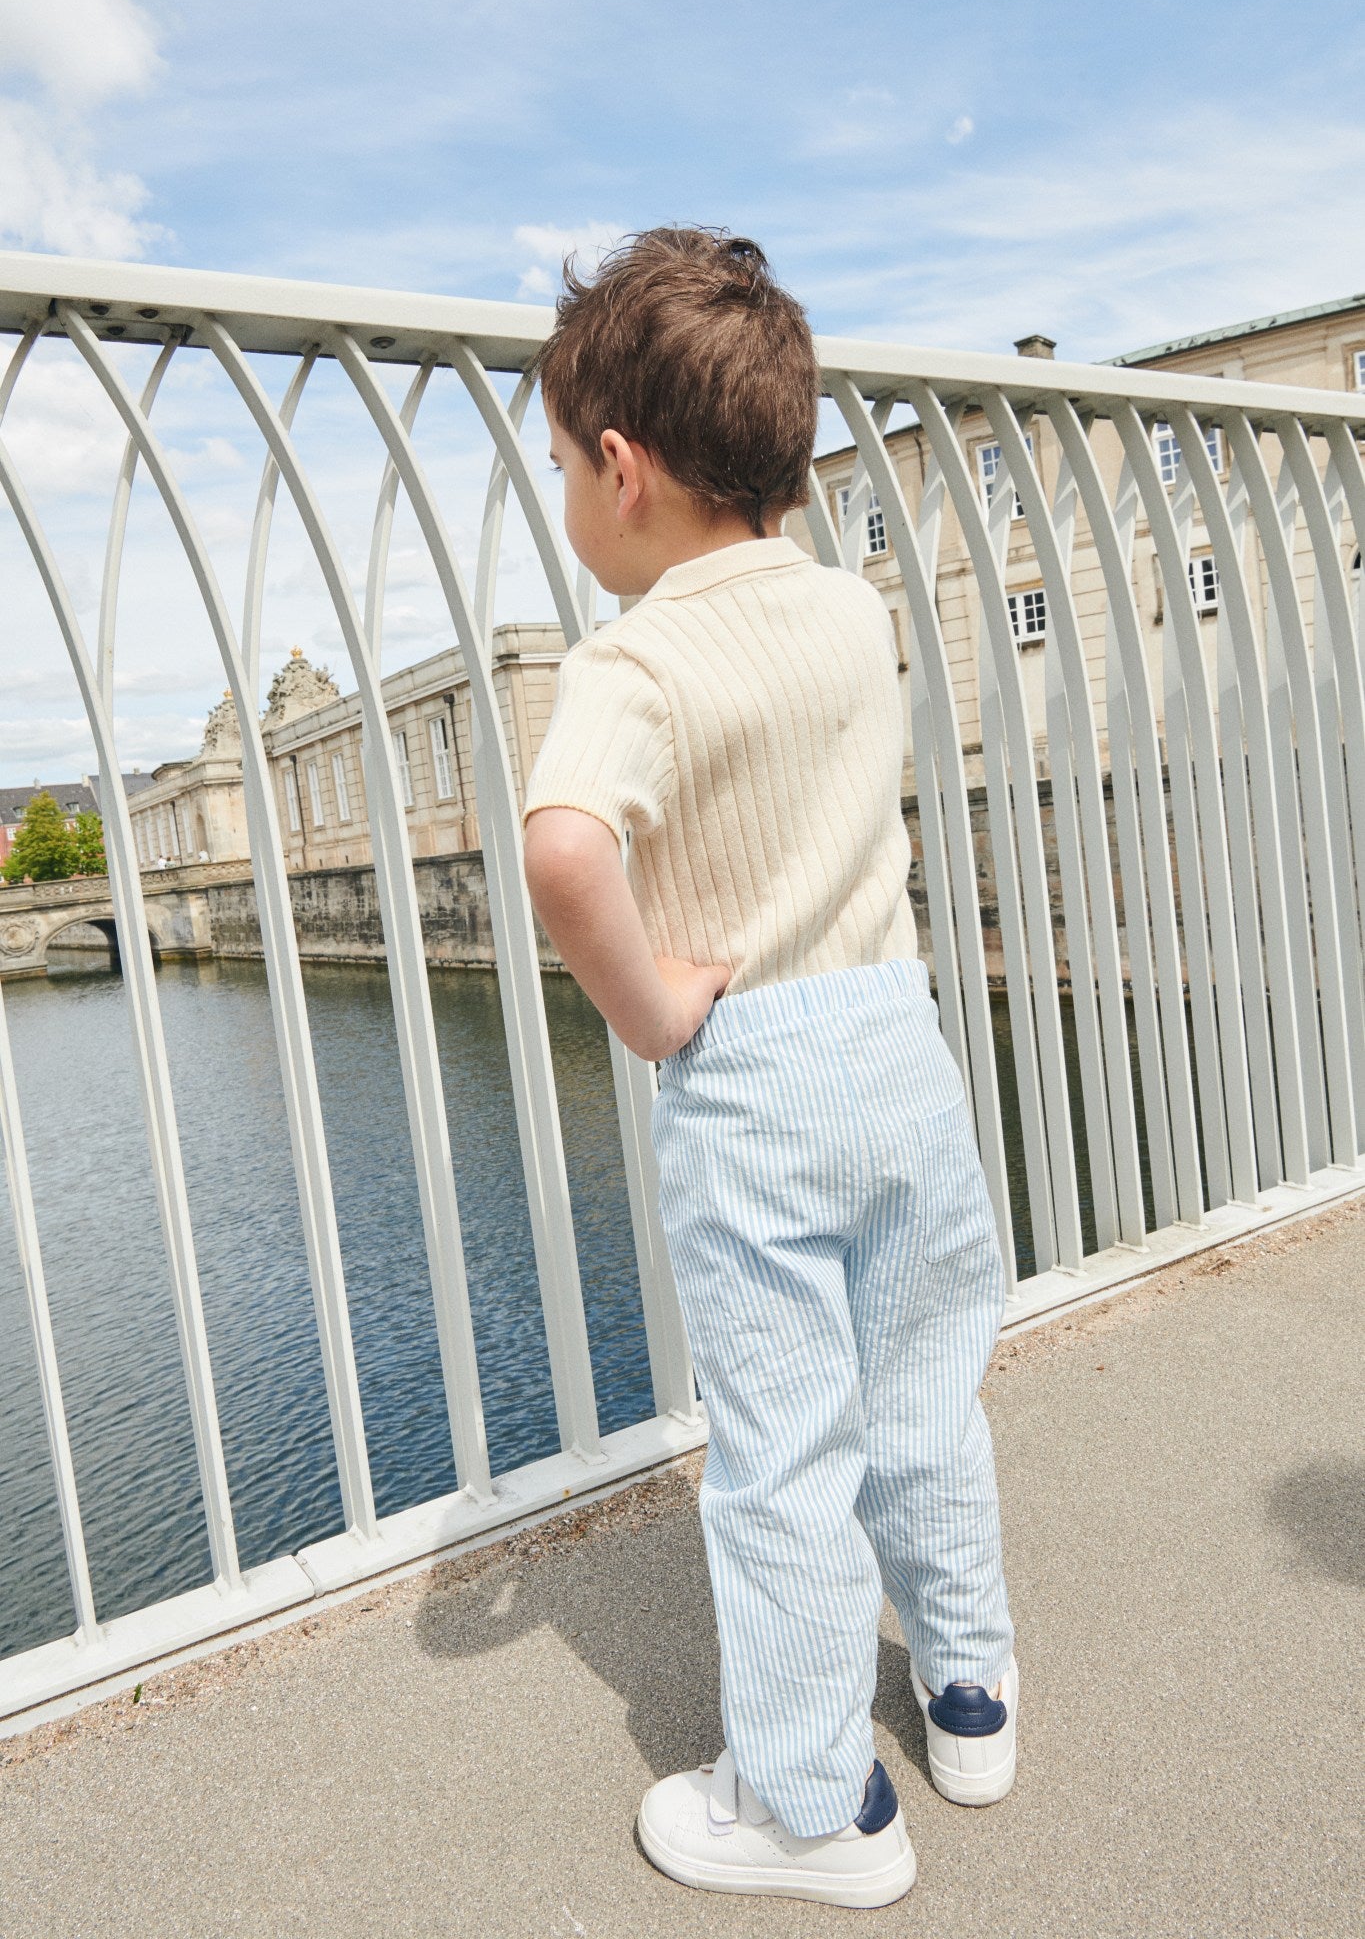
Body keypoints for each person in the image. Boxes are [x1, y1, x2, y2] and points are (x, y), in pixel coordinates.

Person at [520, 227, 1016, 1911]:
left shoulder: (634, 655)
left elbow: (567, 847)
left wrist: (654, 1011)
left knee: (785, 1453)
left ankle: (811, 1808)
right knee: (924, 1390)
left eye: (563, 476)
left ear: (619, 464)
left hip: (758, 1081)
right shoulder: (843, 608)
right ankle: (968, 1697)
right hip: (900, 1041)